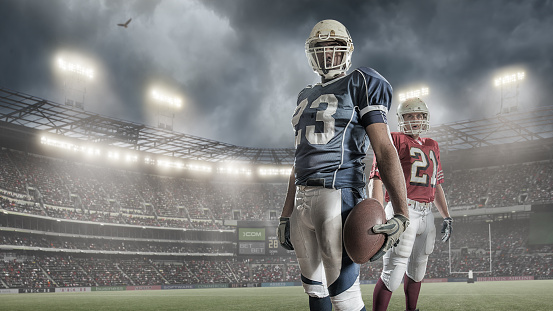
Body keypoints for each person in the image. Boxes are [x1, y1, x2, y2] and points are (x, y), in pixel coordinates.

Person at [277, 19, 410, 311]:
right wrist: (286, 213)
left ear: (347, 51)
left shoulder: (362, 80)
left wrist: (401, 211)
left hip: (337, 196)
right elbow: (299, 160)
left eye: (334, 48)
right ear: (311, 54)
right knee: (314, 290)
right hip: (302, 198)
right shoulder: (304, 95)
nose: (327, 55)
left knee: (345, 299)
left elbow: (384, 148)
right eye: (320, 48)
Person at [368, 97, 453, 311]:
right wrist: (378, 215)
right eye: (410, 115)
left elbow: (437, 184)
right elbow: (377, 177)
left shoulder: (433, 145)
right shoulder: (394, 139)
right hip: (402, 210)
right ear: (401, 118)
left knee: (418, 269)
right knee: (393, 272)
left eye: (419, 115)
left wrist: (447, 216)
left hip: (427, 212)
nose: (415, 119)